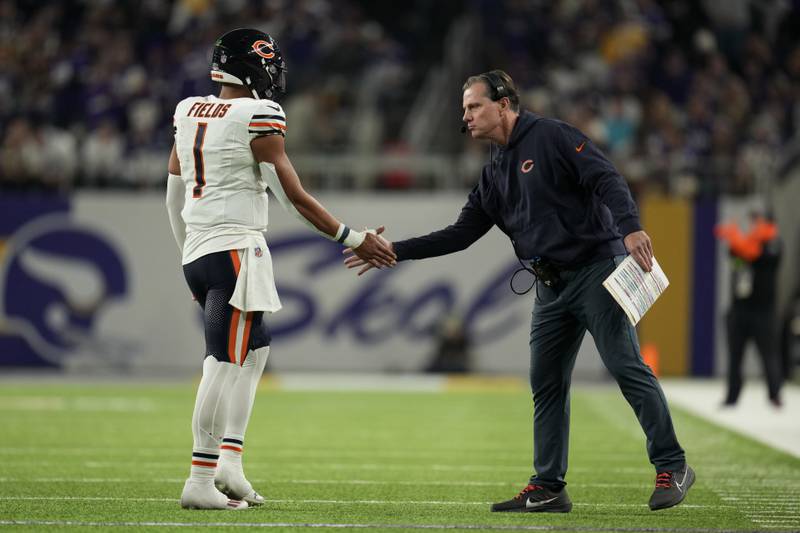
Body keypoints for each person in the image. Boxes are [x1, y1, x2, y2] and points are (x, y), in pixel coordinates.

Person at [345, 70, 693, 512]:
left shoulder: (552, 136)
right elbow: (459, 235)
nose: (466, 117)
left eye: (473, 106)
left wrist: (631, 229)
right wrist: (394, 250)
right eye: (464, 109)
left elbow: (607, 178)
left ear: (504, 104)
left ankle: (673, 463)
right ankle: (548, 485)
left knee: (626, 367)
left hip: (596, 272)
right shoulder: (494, 172)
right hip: (550, 287)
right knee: (546, 385)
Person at [166, 28, 396, 510]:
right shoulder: (259, 113)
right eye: (267, 60)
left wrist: (187, 252)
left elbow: (174, 190)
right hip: (234, 250)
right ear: (252, 65)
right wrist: (353, 237)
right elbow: (292, 196)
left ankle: (229, 460)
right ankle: (200, 478)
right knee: (222, 364)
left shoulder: (189, 109)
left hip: (200, 249)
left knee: (254, 353)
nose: (275, 70)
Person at [715, 211, 783, 407]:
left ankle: (775, 394)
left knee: (769, 354)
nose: (753, 226)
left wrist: (738, 240)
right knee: (735, 355)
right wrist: (738, 241)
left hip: (763, 311)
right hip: (740, 309)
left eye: (757, 222)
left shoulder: (774, 244)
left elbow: (755, 255)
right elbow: (735, 257)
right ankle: (732, 395)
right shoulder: (743, 242)